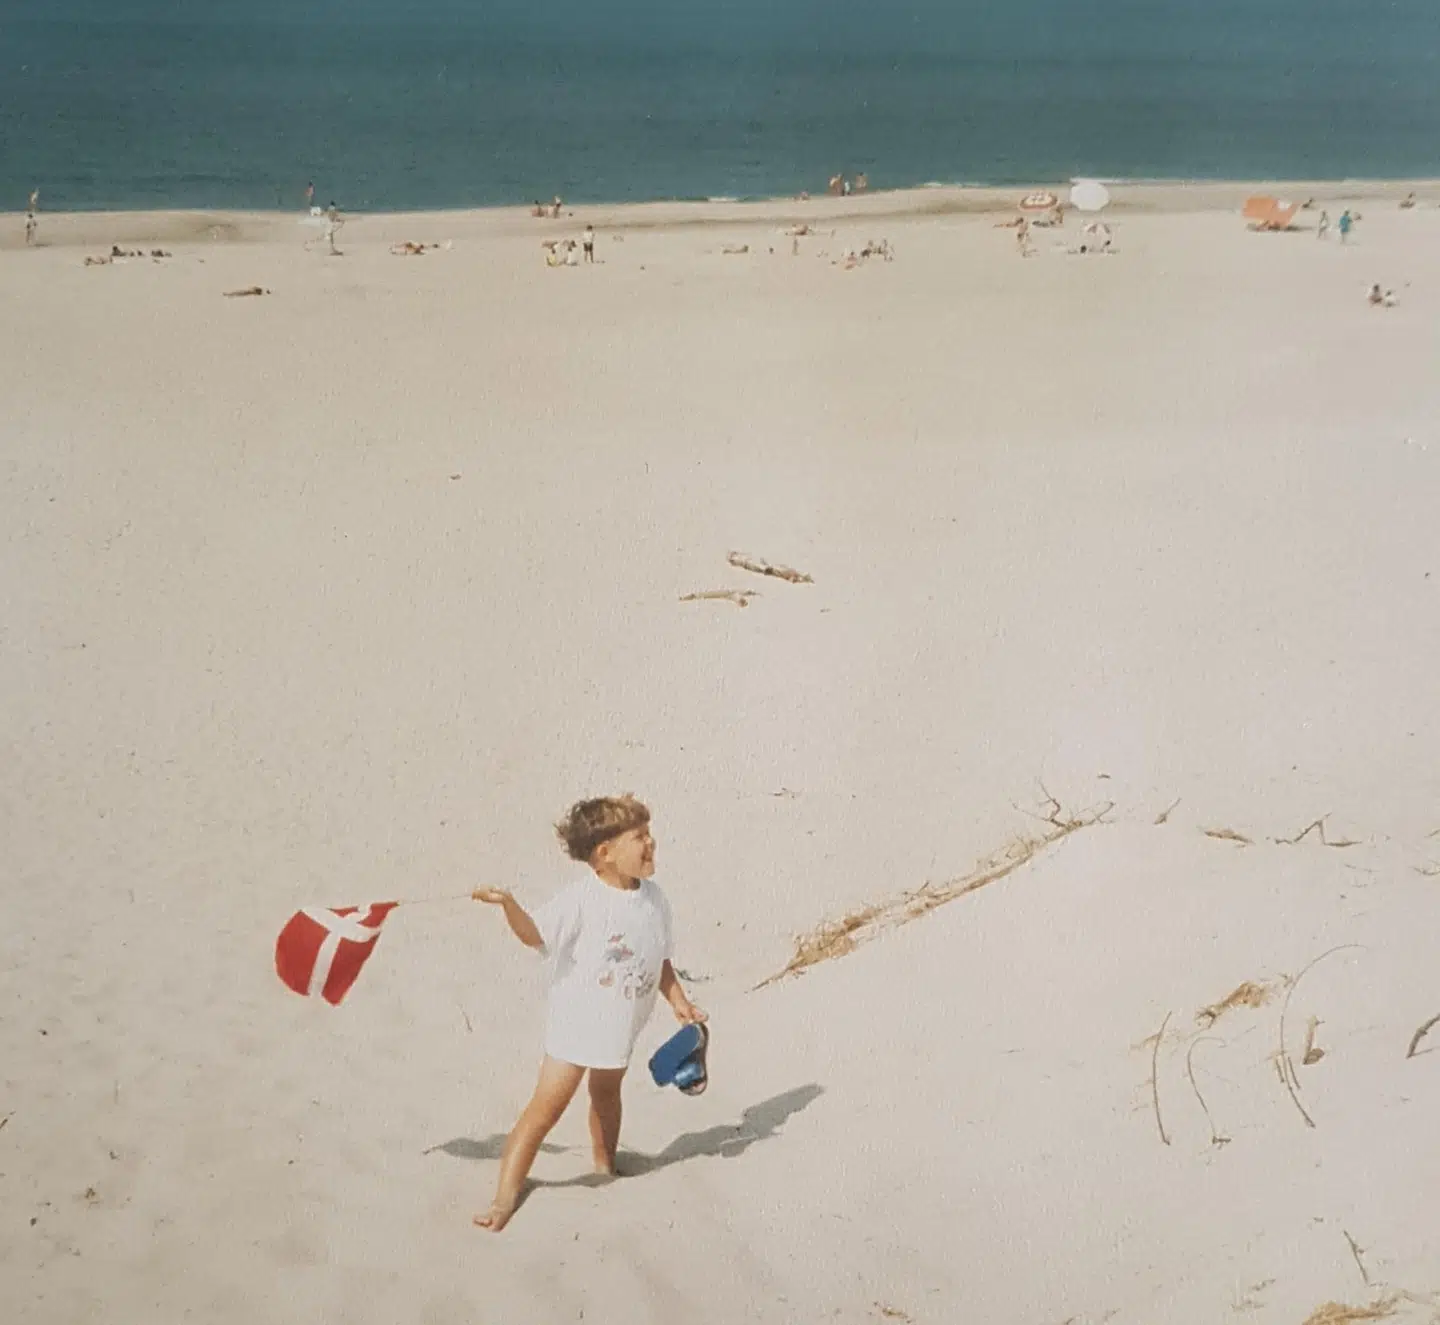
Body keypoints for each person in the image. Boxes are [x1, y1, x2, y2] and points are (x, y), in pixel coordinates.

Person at [470, 795, 705, 1233]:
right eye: (639, 837)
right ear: (605, 853)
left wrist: (679, 1002)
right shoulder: (581, 900)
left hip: (619, 1027)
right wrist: (509, 905)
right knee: (544, 1110)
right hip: (576, 1028)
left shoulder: (655, 900)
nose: (651, 843)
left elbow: (661, 959)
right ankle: (504, 1196)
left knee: (606, 1096)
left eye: (649, 833)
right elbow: (533, 934)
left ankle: (604, 1167)